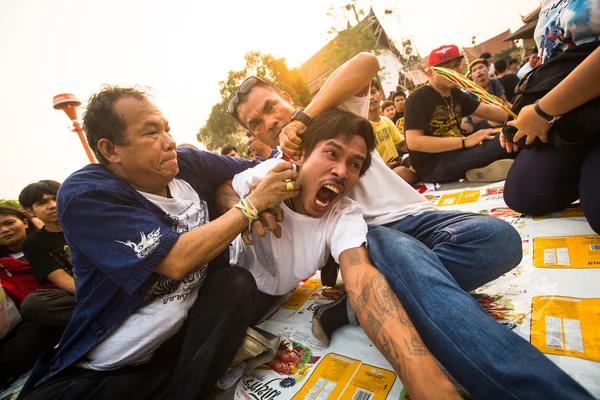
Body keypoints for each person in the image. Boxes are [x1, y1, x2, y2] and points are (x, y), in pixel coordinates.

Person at [227, 52, 592, 399]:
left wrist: (304, 119)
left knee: (501, 239)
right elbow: (240, 187)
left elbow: (366, 62)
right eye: (255, 123)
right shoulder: (280, 173)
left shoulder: (333, 111)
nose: (270, 122)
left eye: (270, 107)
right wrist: (253, 206)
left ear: (287, 97)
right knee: (402, 262)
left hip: (420, 218)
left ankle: (354, 308)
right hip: (373, 241)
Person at [19, 86, 299, 400]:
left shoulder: (188, 163)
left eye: (167, 129)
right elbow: (176, 261)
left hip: (180, 338)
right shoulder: (87, 195)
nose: (168, 142)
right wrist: (250, 207)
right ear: (111, 150)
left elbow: (254, 171)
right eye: (152, 133)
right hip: (110, 363)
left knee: (235, 282)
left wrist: (227, 196)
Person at [230, 109, 460, 398]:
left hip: (272, 302)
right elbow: (227, 187)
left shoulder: (344, 214)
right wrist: (248, 206)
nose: (341, 171)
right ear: (299, 156)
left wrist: (426, 382)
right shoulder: (269, 176)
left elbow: (361, 277)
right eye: (331, 153)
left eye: (354, 164)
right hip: (229, 287)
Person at [502, 0, 600, 235]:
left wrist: (543, 111)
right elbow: (551, 68)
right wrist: (519, 118)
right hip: (568, 113)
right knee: (523, 194)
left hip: (571, 103)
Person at [404, 46, 516, 183]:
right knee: (507, 141)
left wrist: (521, 117)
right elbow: (414, 142)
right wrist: (464, 141)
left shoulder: (455, 93)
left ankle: (482, 169)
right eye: (446, 68)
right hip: (433, 166)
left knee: (512, 134)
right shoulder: (418, 98)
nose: (454, 71)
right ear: (430, 73)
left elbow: (487, 111)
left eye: (456, 65)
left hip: (457, 151)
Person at [0, 207, 63, 388]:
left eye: (9, 223)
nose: (4, 230)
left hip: (52, 310)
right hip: (15, 320)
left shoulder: (50, 244)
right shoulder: (3, 266)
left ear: (25, 222)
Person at [18, 180, 77, 327]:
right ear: (30, 211)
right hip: (84, 292)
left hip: (116, 279)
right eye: (42, 202)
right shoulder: (33, 243)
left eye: (56, 198)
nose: (52, 205)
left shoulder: (89, 221)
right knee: (34, 304)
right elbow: (64, 281)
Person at [368, 81, 417, 184]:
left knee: (419, 158)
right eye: (366, 95)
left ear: (380, 94)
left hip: (397, 163)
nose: (371, 97)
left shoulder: (386, 121)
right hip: (381, 173)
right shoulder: (363, 127)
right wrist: (384, 167)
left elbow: (403, 144)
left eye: (373, 92)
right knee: (401, 172)